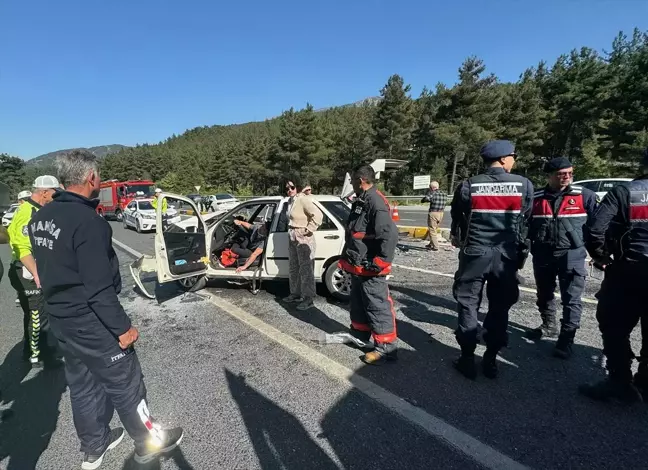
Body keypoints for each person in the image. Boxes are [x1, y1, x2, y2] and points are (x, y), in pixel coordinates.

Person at [29, 150, 183, 468]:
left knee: (82, 385)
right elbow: (98, 288)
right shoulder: (88, 222)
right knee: (126, 383)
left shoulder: (40, 217)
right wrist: (122, 328)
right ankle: (148, 443)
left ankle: (94, 447)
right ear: (92, 178)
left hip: (61, 318)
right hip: (91, 320)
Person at [450, 140, 534, 380]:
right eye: (513, 156)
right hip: (506, 255)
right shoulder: (523, 185)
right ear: (503, 159)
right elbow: (525, 217)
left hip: (475, 252)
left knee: (467, 303)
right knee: (499, 307)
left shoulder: (469, 185)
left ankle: (467, 358)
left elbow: (458, 217)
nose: (514, 160)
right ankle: (491, 360)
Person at [579, 148, 648, 404]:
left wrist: (600, 257)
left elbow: (595, 229)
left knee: (613, 324)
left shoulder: (625, 192)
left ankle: (620, 381)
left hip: (628, 271)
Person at [525, 157, 597, 359]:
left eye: (570, 173)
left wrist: (598, 253)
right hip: (543, 253)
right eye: (561, 174)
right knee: (544, 293)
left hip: (572, 255)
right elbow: (525, 226)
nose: (566, 177)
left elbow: (598, 227)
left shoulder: (585, 196)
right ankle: (549, 325)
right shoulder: (536, 198)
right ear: (548, 176)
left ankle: (566, 339)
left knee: (571, 298)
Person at [339, 165, 399, 365]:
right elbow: (354, 232)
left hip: (371, 265)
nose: (352, 184)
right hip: (358, 264)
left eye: (353, 180)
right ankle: (360, 336)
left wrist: (381, 261)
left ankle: (386, 347)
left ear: (362, 180)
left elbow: (388, 235)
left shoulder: (375, 201)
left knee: (376, 305)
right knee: (358, 303)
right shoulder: (361, 199)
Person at [7, 175, 61, 368]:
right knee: (38, 313)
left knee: (32, 313)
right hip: (26, 270)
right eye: (55, 193)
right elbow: (22, 248)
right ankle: (39, 355)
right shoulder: (27, 212)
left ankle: (29, 350)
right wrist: (37, 273)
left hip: (31, 268)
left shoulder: (39, 209)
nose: (56, 197)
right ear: (44, 192)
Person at [282, 177, 323, 311]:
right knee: (294, 266)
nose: (289, 190)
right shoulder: (290, 201)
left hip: (302, 235)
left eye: (292, 187)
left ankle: (308, 298)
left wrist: (309, 229)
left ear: (298, 187)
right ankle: (295, 293)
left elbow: (317, 215)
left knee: (305, 268)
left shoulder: (303, 199)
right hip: (292, 233)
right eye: (287, 188)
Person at [421, 181, 447, 251]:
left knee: (432, 230)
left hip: (433, 213)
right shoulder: (444, 193)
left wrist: (425, 198)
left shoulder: (432, 193)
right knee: (435, 229)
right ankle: (431, 244)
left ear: (432, 187)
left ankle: (435, 247)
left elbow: (425, 199)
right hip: (441, 213)